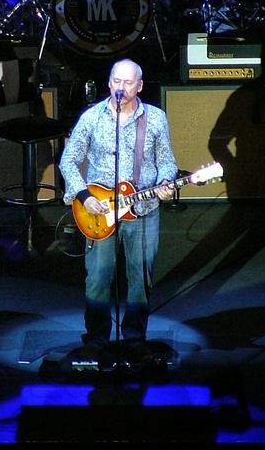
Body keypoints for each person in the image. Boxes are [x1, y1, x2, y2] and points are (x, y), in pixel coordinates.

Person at [59, 58, 178, 365]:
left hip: (143, 209)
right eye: (116, 81)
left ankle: (135, 340)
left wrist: (166, 182)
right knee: (98, 278)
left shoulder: (155, 118)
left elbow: (167, 161)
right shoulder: (92, 117)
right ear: (109, 82)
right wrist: (84, 196)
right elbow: (68, 161)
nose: (120, 88)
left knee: (140, 278)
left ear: (140, 86)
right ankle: (96, 340)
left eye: (127, 83)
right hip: (99, 211)